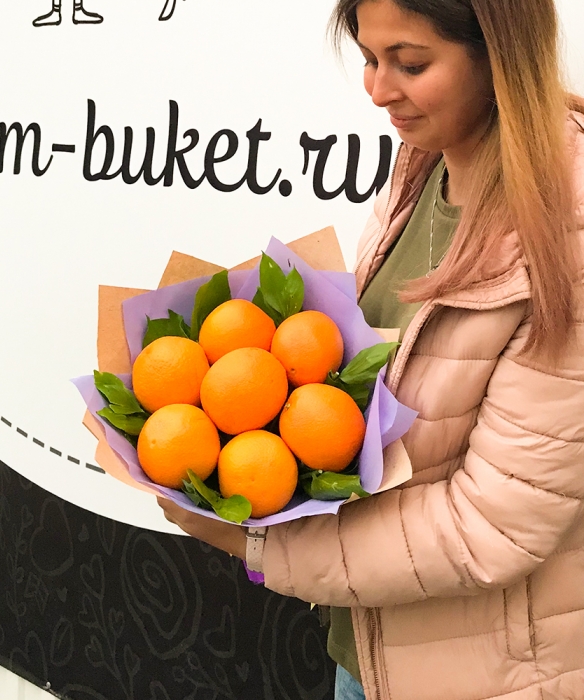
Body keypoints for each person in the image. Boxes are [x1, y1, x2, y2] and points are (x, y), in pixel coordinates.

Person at [158, 0, 584, 698]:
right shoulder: (425, 163)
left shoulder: (568, 230)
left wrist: (260, 547)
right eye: (369, 58)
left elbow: (495, 526)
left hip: (485, 677)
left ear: (499, 54)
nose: (379, 90)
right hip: (369, 648)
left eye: (410, 64)